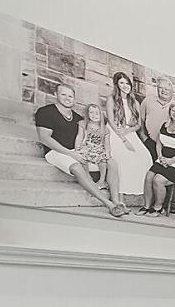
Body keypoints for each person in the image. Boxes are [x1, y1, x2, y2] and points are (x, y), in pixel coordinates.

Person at [34, 83, 126, 217]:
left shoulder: (79, 119)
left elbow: (91, 136)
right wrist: (71, 153)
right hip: (56, 152)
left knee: (111, 162)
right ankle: (109, 204)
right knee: (77, 167)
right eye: (63, 94)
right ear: (56, 95)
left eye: (70, 96)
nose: (67, 98)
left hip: (77, 151)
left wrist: (97, 151)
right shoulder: (46, 112)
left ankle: (116, 201)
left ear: (74, 98)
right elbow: (44, 138)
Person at [105, 71, 152, 205]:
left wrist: (128, 131)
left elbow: (138, 125)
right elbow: (111, 120)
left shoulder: (134, 102)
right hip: (114, 130)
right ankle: (120, 198)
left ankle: (140, 193)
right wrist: (123, 139)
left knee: (145, 156)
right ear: (117, 84)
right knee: (123, 157)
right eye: (121, 83)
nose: (125, 86)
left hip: (128, 131)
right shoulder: (111, 99)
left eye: (127, 83)